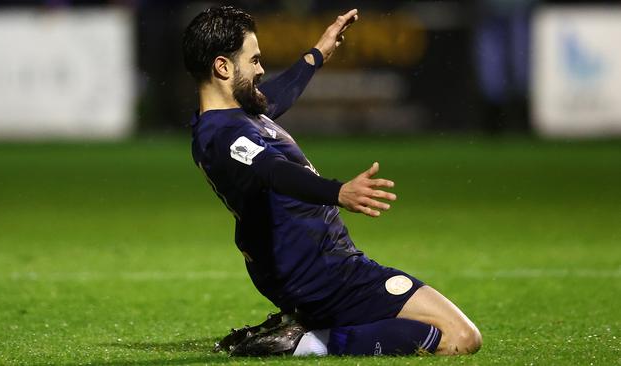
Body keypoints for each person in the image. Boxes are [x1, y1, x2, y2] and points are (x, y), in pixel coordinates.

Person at [182, 5, 482, 357]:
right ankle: (305, 343)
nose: (262, 69)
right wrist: (338, 192)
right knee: (460, 338)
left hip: (320, 266)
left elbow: (276, 97)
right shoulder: (222, 135)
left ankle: (307, 326)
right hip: (323, 276)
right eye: (254, 61)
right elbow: (272, 170)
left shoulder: (236, 117)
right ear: (222, 66)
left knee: (440, 329)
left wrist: (318, 53)